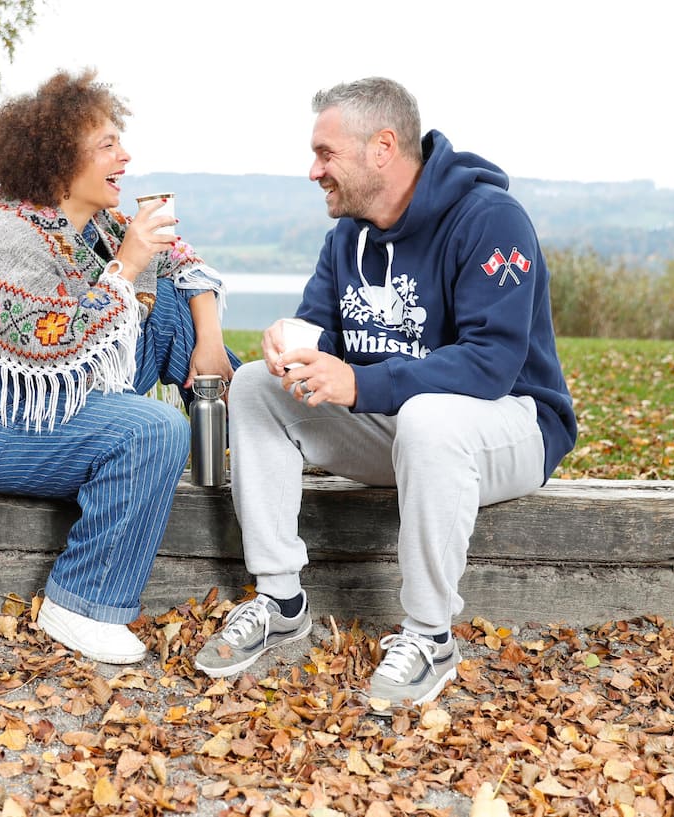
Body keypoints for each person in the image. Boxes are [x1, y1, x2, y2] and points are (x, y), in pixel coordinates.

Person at [193, 77, 577, 709]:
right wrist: (291, 349)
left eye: (325, 153)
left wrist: (361, 381)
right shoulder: (348, 237)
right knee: (259, 387)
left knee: (430, 420)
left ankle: (430, 637)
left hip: (514, 426)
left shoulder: (489, 221)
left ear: (382, 147)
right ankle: (281, 599)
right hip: (403, 429)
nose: (313, 170)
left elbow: (492, 365)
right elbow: (321, 343)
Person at [0, 69, 238, 665]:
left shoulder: (96, 224)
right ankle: (80, 602)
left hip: (68, 397)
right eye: (107, 145)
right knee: (154, 428)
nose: (125, 156)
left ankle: (253, 425)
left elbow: (183, 263)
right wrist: (126, 268)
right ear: (58, 161)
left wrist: (209, 339)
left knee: (175, 309)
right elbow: (57, 345)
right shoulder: (12, 239)